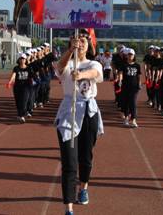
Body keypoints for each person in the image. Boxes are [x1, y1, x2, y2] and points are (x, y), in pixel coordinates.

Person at [55, 30, 104, 215]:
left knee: (86, 157)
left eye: (83, 41)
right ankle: (68, 206)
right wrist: (69, 52)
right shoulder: (67, 62)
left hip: (88, 112)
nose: (80, 44)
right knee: (69, 161)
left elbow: (95, 73)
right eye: (76, 41)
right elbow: (59, 68)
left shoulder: (94, 63)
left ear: (89, 44)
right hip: (69, 111)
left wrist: (81, 75)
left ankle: (83, 187)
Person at [118, 48, 141, 128]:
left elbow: (138, 76)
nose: (130, 56)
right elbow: (120, 73)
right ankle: (126, 118)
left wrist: (139, 83)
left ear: (134, 55)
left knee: (133, 103)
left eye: (131, 54)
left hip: (134, 87)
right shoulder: (124, 65)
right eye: (129, 54)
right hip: (125, 86)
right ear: (127, 56)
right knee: (126, 103)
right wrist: (120, 80)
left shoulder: (137, 65)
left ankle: (134, 119)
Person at [7, 52, 33, 123]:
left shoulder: (29, 68)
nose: (22, 60)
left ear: (25, 60)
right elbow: (13, 76)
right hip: (17, 87)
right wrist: (10, 82)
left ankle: (22, 116)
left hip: (26, 87)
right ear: (19, 60)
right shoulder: (16, 68)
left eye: (23, 59)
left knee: (24, 101)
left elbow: (32, 77)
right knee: (18, 102)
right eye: (21, 59)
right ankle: (19, 114)